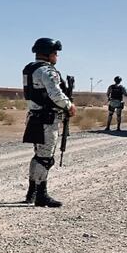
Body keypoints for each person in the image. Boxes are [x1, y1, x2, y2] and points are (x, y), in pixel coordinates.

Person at [21, 38, 75, 207]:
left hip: (35, 116)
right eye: (55, 53)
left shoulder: (30, 68)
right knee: (45, 158)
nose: (56, 56)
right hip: (47, 119)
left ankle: (32, 192)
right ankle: (41, 195)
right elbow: (56, 94)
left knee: (38, 156)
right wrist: (69, 106)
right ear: (48, 53)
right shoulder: (48, 71)